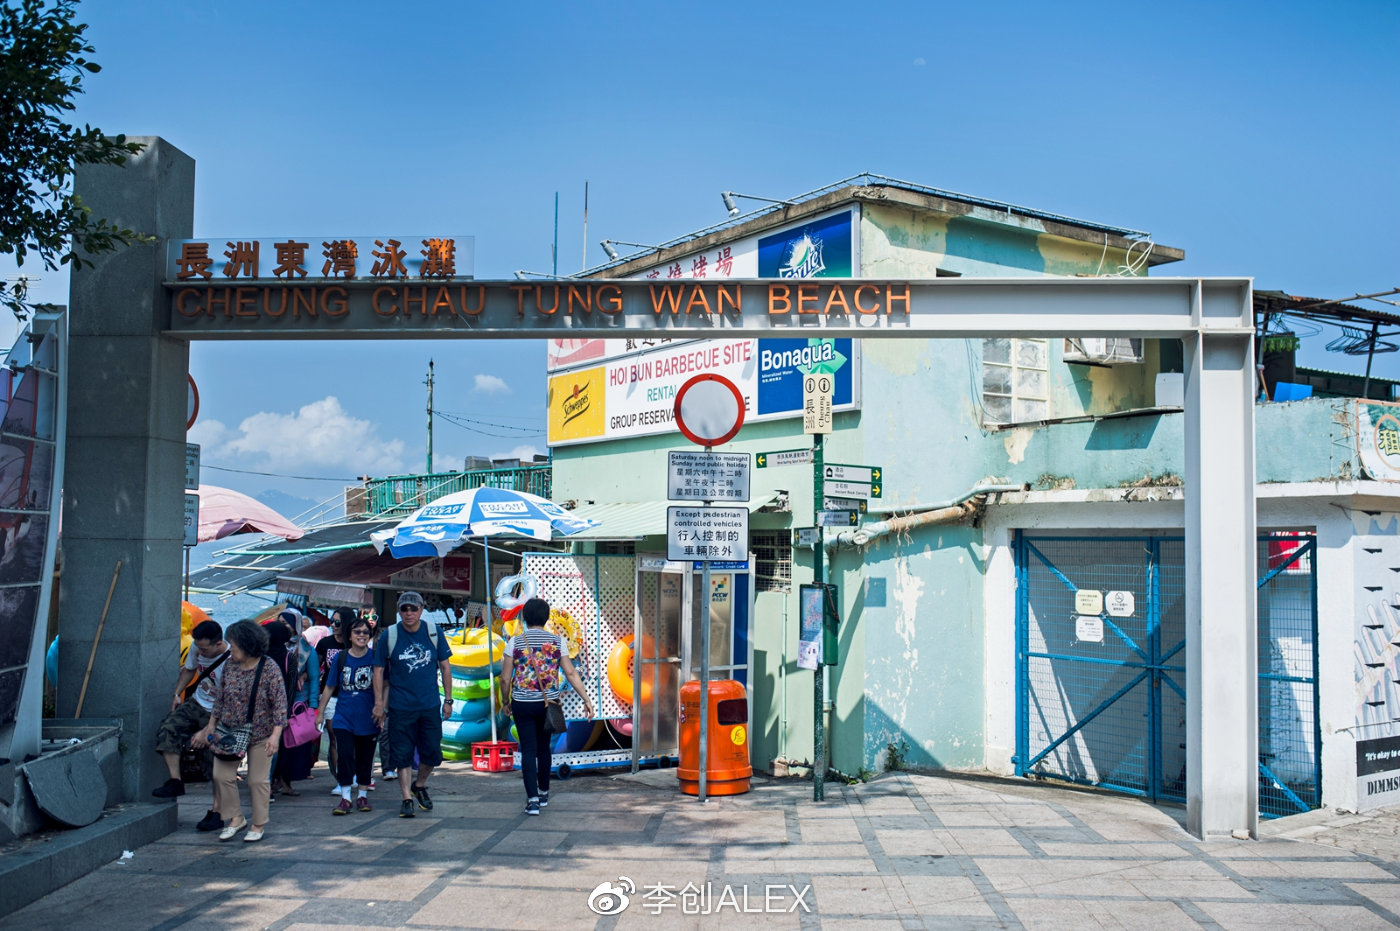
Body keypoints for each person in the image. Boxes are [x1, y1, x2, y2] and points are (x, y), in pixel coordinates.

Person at [501, 597, 594, 816]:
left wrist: (505, 702)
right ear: (545, 618)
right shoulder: (557, 642)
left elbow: (505, 678)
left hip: (522, 704)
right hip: (548, 704)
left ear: (525, 617)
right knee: (544, 748)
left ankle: (532, 800)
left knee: (528, 750)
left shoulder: (514, 642)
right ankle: (543, 793)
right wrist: (586, 699)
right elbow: (570, 672)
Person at [197, 619, 287, 843]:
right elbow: (220, 697)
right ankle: (235, 818)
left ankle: (258, 823)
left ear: (247, 645)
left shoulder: (269, 668)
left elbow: (279, 705)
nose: (231, 649)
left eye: (234, 645)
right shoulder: (229, 665)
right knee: (221, 775)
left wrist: (275, 736)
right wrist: (211, 724)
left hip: (261, 732)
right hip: (229, 729)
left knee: (257, 780)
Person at [372, 591, 452, 818]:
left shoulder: (433, 632)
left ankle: (419, 785)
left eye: (413, 608)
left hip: (429, 704)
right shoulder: (390, 635)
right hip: (400, 706)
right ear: (399, 611)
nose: (409, 613)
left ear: (421, 610)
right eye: (404, 609)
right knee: (402, 754)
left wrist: (448, 699)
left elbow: (445, 667)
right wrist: (379, 704)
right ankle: (406, 797)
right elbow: (378, 670)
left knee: (433, 752)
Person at [152, 619, 230, 833]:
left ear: (218, 643)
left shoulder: (232, 660)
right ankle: (175, 781)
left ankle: (217, 811)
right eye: (199, 648)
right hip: (197, 701)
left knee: (214, 762)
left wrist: (207, 730)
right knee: (168, 729)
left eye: (205, 649)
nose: (200, 652)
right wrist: (177, 693)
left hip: (219, 712)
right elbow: (189, 670)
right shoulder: (197, 646)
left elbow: (230, 701)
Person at [316, 613, 378, 813]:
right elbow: (329, 686)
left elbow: (385, 685)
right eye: (357, 632)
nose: (362, 635)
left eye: (366, 632)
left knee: (365, 758)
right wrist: (320, 712)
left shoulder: (375, 658)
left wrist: (382, 709)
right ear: (349, 635)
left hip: (368, 718)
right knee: (344, 756)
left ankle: (362, 796)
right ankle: (345, 797)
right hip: (343, 717)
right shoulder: (341, 658)